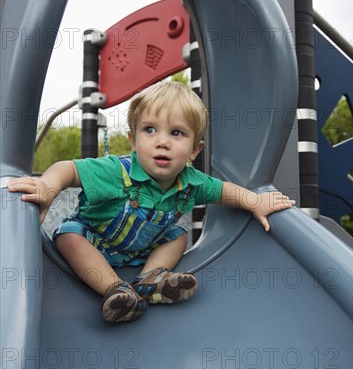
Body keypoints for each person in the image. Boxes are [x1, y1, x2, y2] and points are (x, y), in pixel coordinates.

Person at [8, 81, 295, 323]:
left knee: (177, 236)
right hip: (95, 242)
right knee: (68, 235)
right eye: (150, 130)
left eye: (177, 133)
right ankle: (116, 290)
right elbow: (68, 168)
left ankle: (150, 279)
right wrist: (47, 187)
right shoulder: (115, 171)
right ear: (133, 140)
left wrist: (255, 201)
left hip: (141, 253)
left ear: (195, 150)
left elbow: (224, 191)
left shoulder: (192, 182)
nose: (162, 142)